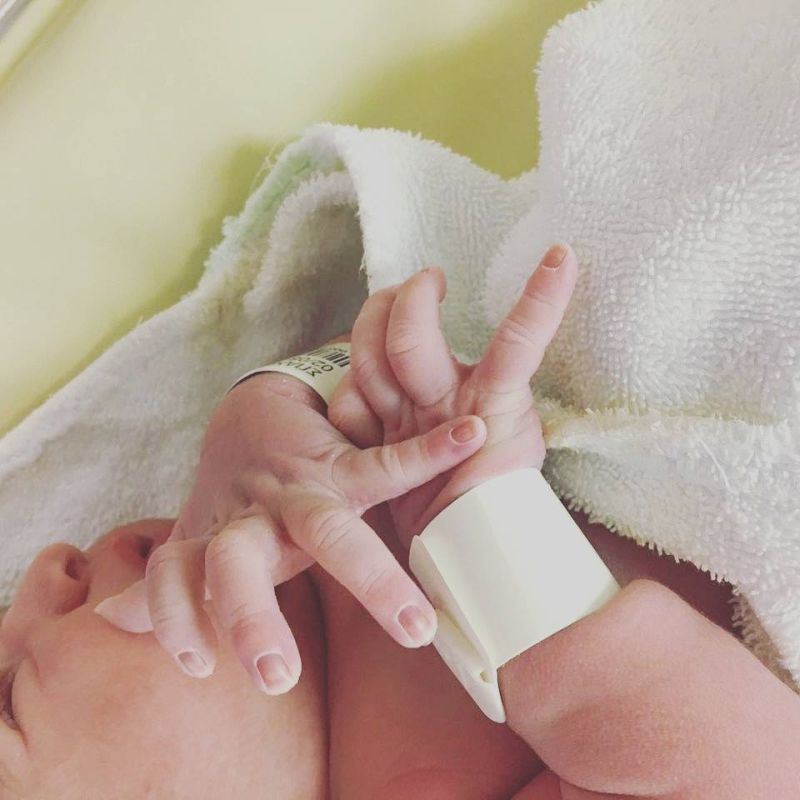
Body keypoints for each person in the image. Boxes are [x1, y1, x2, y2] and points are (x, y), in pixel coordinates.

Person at [1, 246, 798, 799]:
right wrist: (488, 533)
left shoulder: (266, 521)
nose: (44, 571)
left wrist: (271, 405)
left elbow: (378, 343)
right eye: (6, 698)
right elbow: (751, 774)